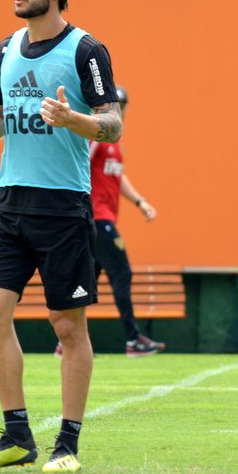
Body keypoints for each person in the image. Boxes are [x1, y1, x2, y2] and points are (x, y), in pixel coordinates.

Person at [0, 0, 122, 473]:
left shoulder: (86, 50)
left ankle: (67, 445)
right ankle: (17, 437)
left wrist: (74, 119)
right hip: (7, 204)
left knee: (68, 326)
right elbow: (1, 122)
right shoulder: (5, 47)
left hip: (62, 207)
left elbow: (112, 123)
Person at [54, 86, 166, 358]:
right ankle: (133, 340)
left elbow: (118, 177)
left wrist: (140, 202)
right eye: (117, 103)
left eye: (123, 104)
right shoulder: (97, 135)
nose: (120, 109)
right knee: (121, 274)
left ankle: (64, 341)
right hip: (97, 217)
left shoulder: (115, 141)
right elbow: (80, 162)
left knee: (86, 284)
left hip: (100, 218)